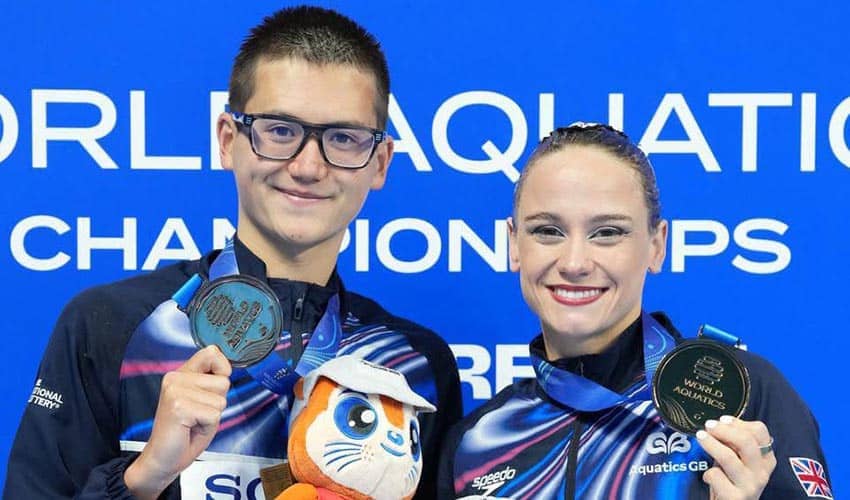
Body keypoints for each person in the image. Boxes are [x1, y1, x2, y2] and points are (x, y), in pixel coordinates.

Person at [5, 6, 461, 499]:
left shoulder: (412, 366)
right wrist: (143, 477)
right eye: (280, 131)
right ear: (228, 140)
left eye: (344, 138)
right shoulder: (111, 324)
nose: (308, 167)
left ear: (379, 163)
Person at [437, 123, 831, 499]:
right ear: (513, 244)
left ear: (657, 246)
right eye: (547, 231)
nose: (574, 262)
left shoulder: (740, 397)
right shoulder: (476, 443)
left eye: (608, 232)